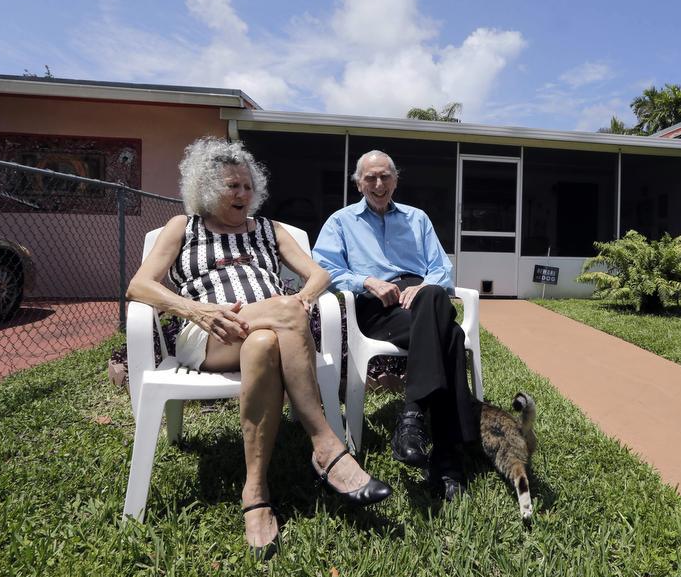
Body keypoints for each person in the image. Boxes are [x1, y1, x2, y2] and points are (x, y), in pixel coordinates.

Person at [127, 138, 391, 559]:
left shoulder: (270, 230)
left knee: (265, 341)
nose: (243, 194)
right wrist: (194, 309)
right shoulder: (183, 228)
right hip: (211, 333)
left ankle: (256, 493)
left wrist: (301, 300)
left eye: (248, 186)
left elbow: (319, 274)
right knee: (282, 316)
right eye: (233, 186)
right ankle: (324, 443)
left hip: (270, 330)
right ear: (207, 188)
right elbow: (139, 286)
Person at [313, 150, 477, 501]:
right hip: (378, 308)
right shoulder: (340, 222)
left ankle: (412, 420)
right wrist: (367, 282)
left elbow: (441, 268)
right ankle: (449, 459)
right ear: (358, 183)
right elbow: (325, 270)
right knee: (452, 336)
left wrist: (421, 287)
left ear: (396, 180)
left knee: (433, 295)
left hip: (419, 298)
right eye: (370, 177)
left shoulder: (417, 219)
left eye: (385, 176)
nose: (378, 183)